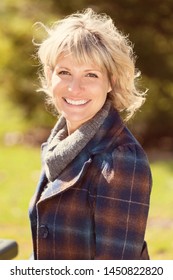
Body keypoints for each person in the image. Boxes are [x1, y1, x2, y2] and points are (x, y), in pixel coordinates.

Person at [29, 8, 152, 260]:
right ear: (50, 76)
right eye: (64, 72)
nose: (75, 88)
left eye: (91, 74)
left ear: (111, 82)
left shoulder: (121, 160)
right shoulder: (59, 146)